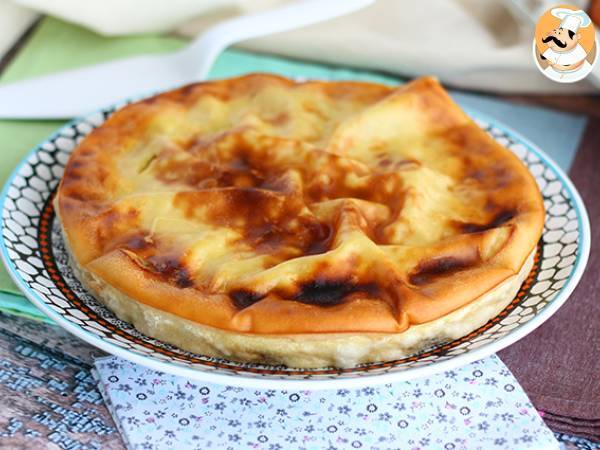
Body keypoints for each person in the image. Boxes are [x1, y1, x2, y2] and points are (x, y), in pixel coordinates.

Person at [540, 8, 594, 83]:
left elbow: (577, 64)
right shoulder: (552, 47)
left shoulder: (579, 52)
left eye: (560, 34)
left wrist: (557, 65)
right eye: (557, 32)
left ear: (575, 37)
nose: (556, 36)